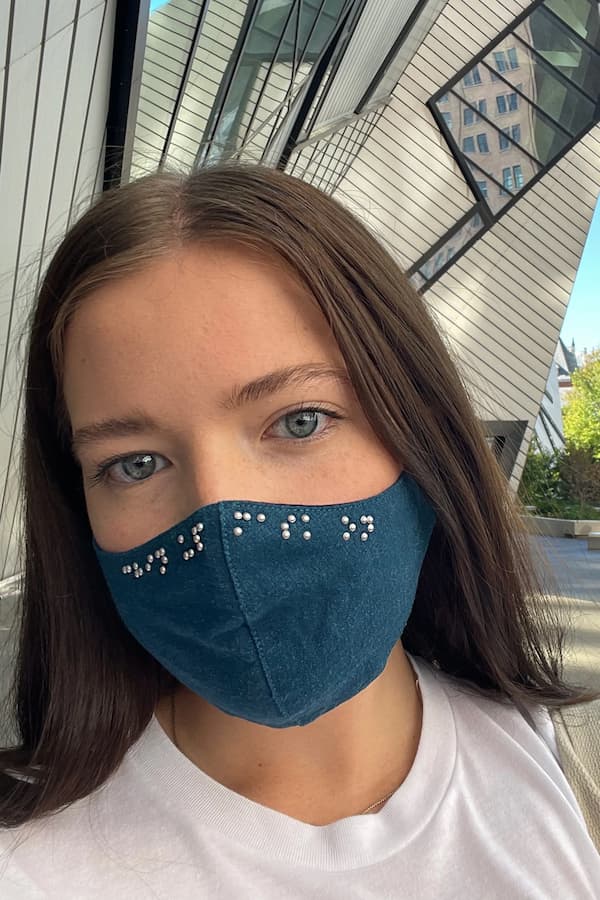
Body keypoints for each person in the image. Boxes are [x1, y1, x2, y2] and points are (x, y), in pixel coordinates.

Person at [0, 164, 598, 899]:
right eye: (136, 463)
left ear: (420, 433)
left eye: (299, 420)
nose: (221, 518)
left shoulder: (521, 737)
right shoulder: (29, 868)